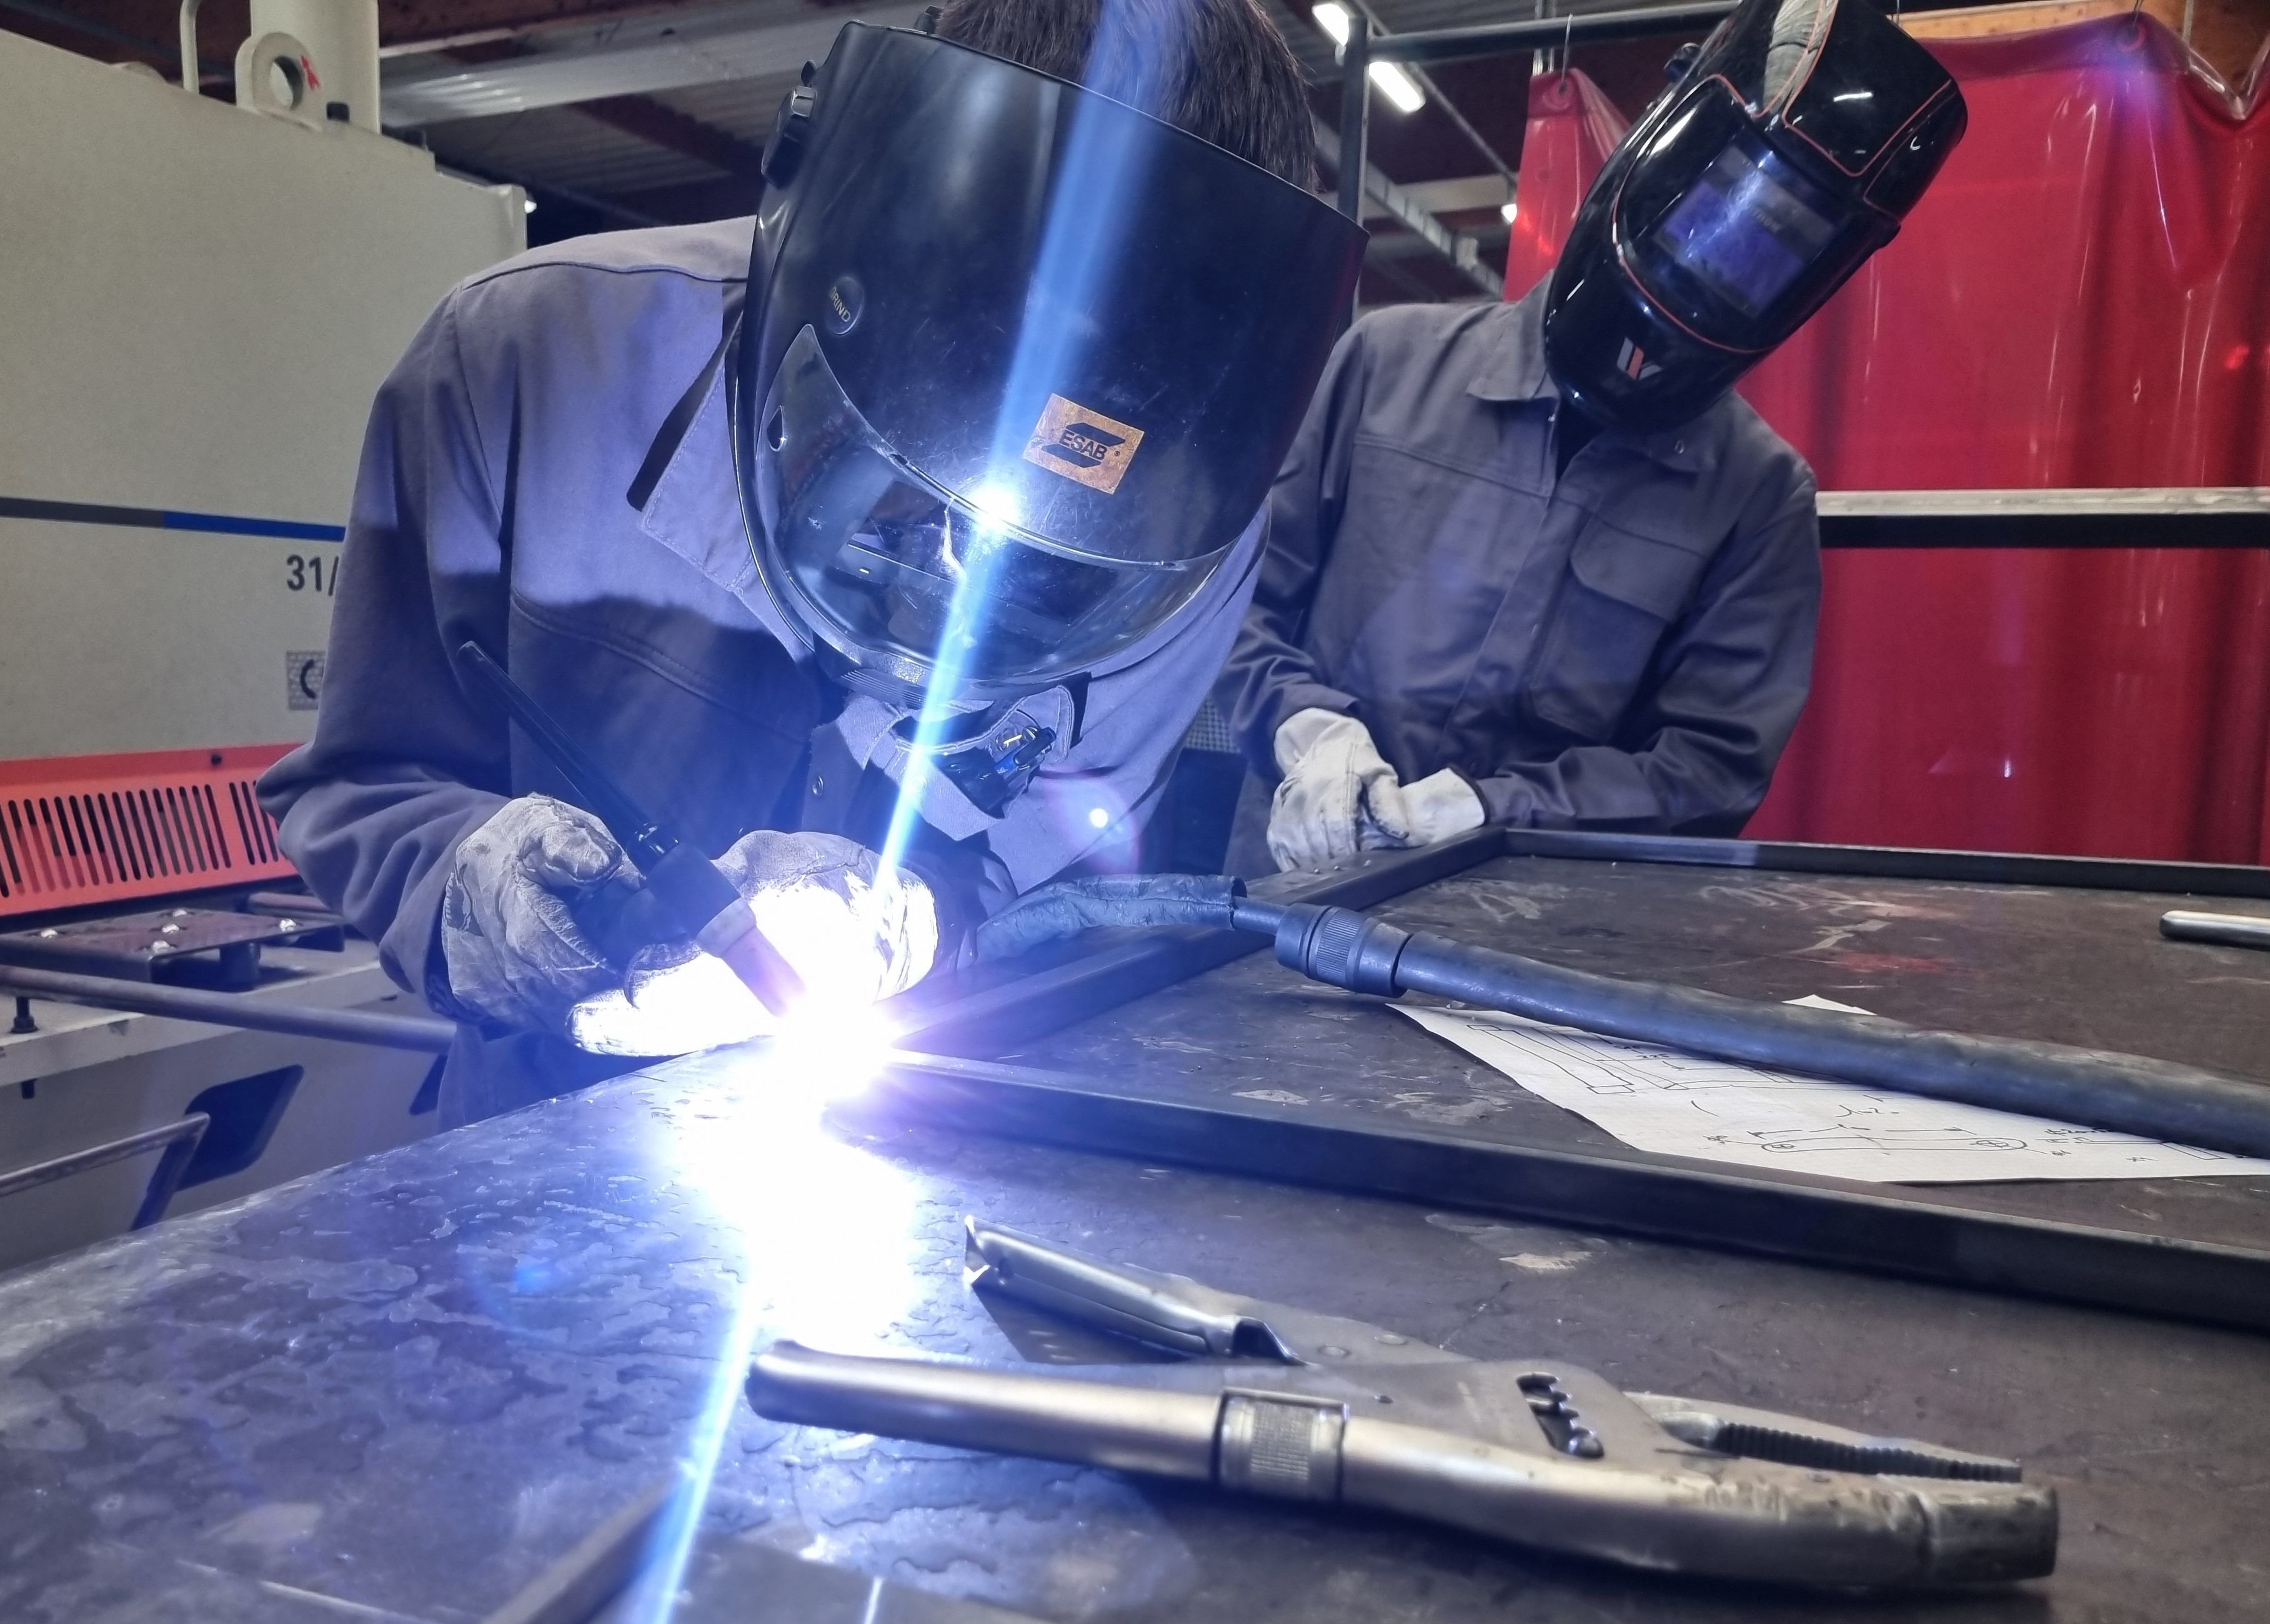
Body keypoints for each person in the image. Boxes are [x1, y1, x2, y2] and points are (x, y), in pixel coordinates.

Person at [259, 0, 1362, 1122]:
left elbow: (1071, 835)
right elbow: (358, 783)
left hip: (930, 1136)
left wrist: (914, 913)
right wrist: (467, 892)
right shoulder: (527, 362)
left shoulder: (1190, 533)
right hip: (547, 1134)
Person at [1222, 0, 1966, 874]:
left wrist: (1496, 810)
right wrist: (1304, 726)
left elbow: (1708, 770)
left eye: (1772, 254)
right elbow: (1232, 604)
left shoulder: (1758, 494)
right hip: (1288, 886)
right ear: (1658, 161)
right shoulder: (1386, 363)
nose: (1717, 267)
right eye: (1711, 216)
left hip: (1519, 937)